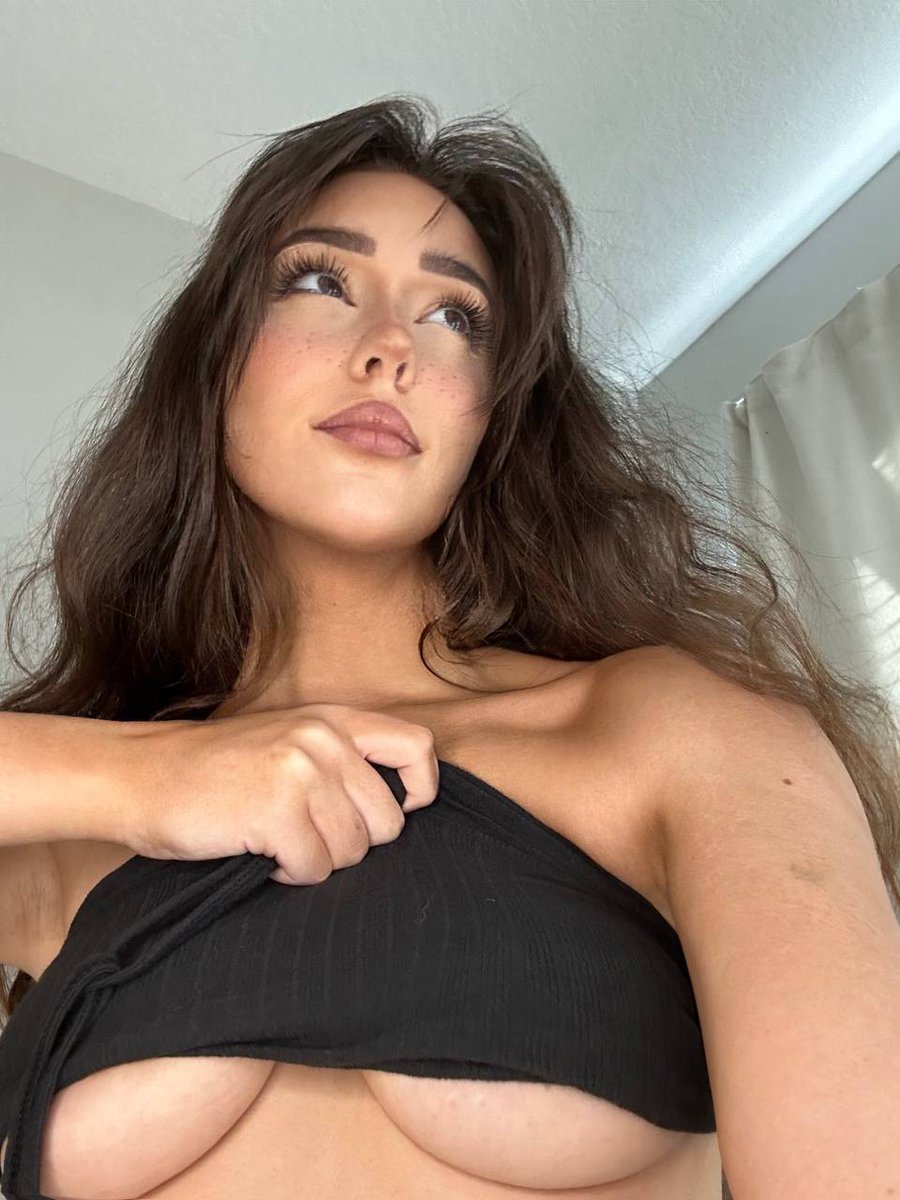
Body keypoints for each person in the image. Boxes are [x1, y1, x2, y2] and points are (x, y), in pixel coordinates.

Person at [1, 94, 897, 1200]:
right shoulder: (81, 832)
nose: (390, 348)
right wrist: (144, 775)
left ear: (493, 415)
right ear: (213, 360)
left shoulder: (676, 738)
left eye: (455, 317)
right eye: (320, 282)